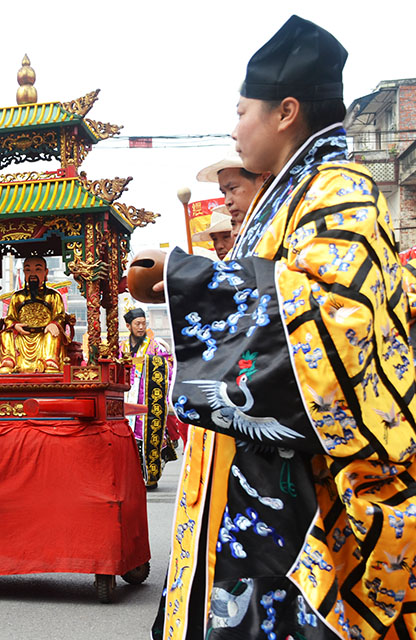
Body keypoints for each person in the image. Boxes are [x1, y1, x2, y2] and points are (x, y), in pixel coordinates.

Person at [145, 16, 416, 639]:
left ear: (286, 111)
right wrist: (193, 281)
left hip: (295, 501)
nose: (235, 128)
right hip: (254, 488)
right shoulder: (296, 192)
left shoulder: (336, 190)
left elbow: (335, 320)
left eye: (242, 112)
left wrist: (192, 280)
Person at [120, 307, 176, 489]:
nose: (141, 327)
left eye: (144, 323)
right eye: (137, 324)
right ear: (128, 326)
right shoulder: (121, 347)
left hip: (148, 398)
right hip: (127, 396)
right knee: (128, 438)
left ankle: (151, 476)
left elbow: (168, 366)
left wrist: (152, 363)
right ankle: (131, 477)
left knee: (149, 436)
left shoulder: (155, 346)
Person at [0, 256, 70, 374]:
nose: (33, 274)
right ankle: (8, 361)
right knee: (6, 334)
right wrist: (15, 325)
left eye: (38, 269)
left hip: (44, 335)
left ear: (46, 272)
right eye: (28, 270)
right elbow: (10, 318)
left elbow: (60, 315)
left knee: (53, 334)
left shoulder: (53, 296)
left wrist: (54, 323)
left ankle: (50, 361)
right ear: (24, 273)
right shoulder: (17, 297)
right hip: (22, 335)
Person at [196, 148, 270, 240]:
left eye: (232, 188)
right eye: (224, 193)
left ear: (265, 179)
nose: (227, 201)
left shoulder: (286, 221)